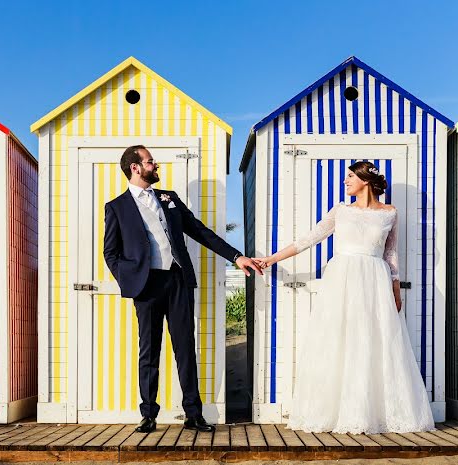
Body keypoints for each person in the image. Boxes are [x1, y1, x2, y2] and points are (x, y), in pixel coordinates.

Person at [256, 161, 435, 434]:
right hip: (342, 280)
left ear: (365, 180)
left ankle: (370, 413)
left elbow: (391, 255)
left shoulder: (390, 213)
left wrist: (395, 289)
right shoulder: (340, 212)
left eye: (350, 176)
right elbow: (308, 239)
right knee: (338, 341)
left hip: (375, 279)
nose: (345, 181)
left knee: (373, 342)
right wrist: (269, 260)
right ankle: (335, 411)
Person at [104, 145, 262, 434]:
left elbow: (200, 232)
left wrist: (236, 256)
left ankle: (193, 413)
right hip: (146, 285)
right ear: (135, 168)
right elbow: (110, 252)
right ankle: (148, 414)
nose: (156, 164)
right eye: (150, 161)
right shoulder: (117, 207)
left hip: (178, 281)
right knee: (149, 351)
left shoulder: (169, 199)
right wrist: (130, 279)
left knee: (185, 348)